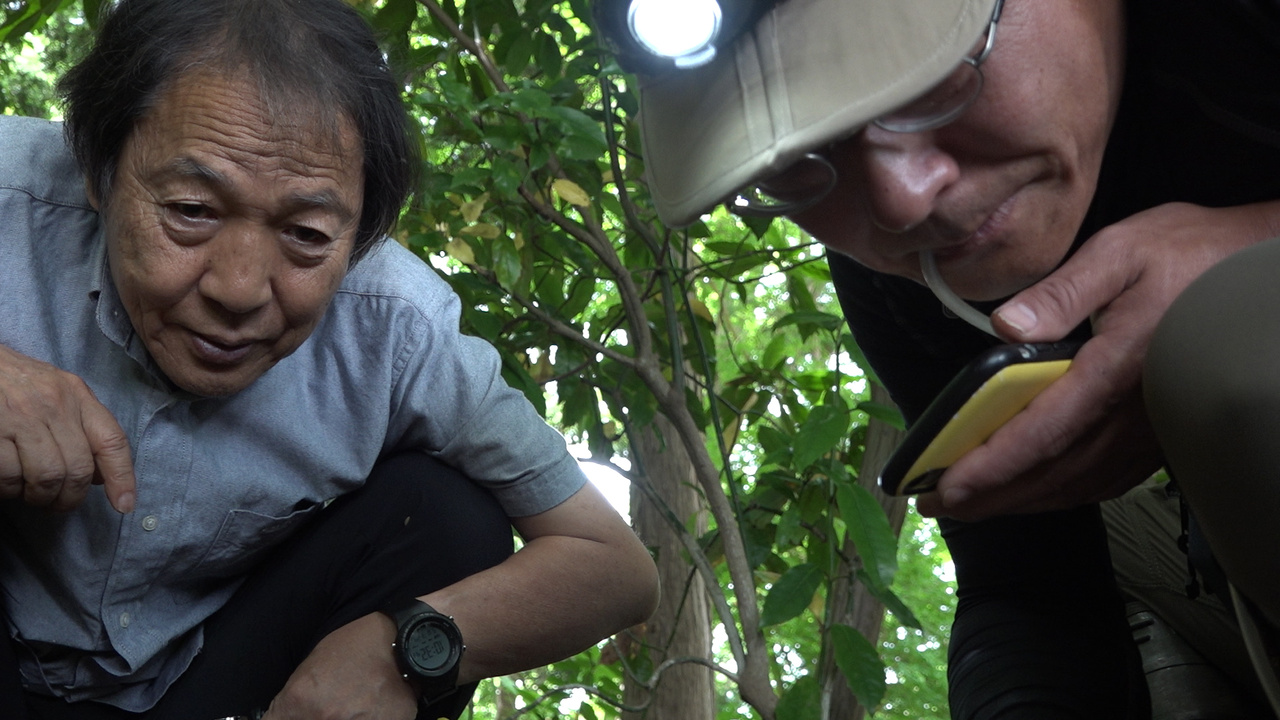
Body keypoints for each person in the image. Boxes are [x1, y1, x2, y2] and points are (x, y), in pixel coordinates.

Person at [613, 0, 1280, 715]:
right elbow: (1027, 583)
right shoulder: (903, 278)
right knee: (1032, 490)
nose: (901, 203)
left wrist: (1253, 263)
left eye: (934, 74)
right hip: (1208, 560)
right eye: (792, 162)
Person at [0, 0, 660, 718]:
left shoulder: (398, 329)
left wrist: (408, 647)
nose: (239, 289)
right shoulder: (10, 195)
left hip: (206, 684)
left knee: (449, 516)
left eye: (307, 234)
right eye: (191, 210)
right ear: (100, 171)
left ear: (361, 234)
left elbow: (616, 568)